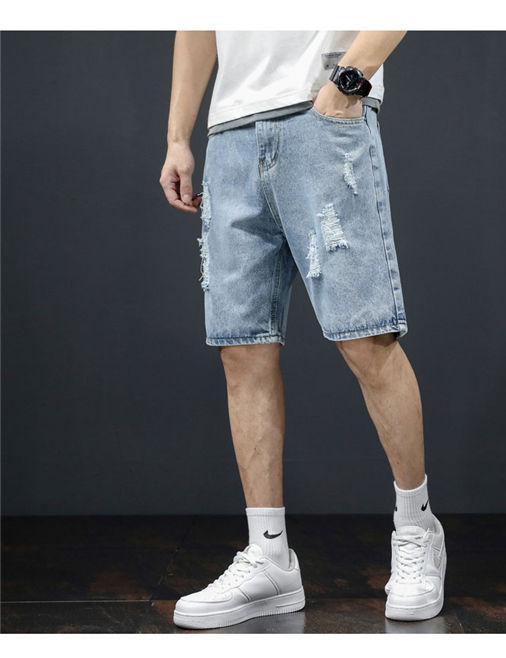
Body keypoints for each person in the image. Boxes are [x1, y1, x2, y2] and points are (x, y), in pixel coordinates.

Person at [159, 30, 446, 630]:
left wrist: (348, 83)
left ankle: (418, 530)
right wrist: (178, 136)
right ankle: (269, 558)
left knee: (366, 337)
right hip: (230, 135)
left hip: (321, 117)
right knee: (242, 350)